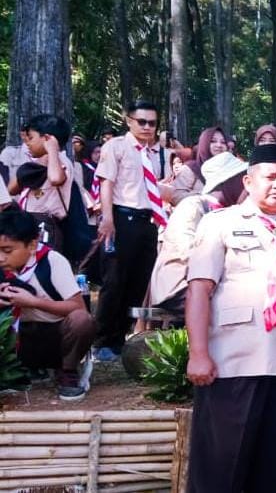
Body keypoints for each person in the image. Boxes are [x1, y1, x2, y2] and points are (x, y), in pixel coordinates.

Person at [184, 143, 276, 492]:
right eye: (269, 176)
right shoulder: (220, 224)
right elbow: (198, 290)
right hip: (234, 364)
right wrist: (198, 353)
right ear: (248, 181)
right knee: (220, 470)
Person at [93, 101, 170, 362]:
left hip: (147, 222)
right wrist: (107, 218)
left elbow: (159, 187)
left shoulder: (156, 153)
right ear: (129, 121)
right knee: (114, 281)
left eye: (152, 123)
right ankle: (103, 340)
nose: (148, 127)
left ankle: (119, 338)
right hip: (121, 218)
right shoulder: (116, 147)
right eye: (142, 122)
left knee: (138, 283)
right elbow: (107, 183)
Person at [0, 208, 96, 401]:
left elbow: (78, 308)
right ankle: (15, 370)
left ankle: (67, 371)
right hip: (16, 340)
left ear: (32, 245)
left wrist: (33, 302)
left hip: (54, 337)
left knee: (81, 320)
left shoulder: (52, 261)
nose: (1, 258)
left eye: (7, 251)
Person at [149, 153, 247, 314]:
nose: (246, 185)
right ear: (228, 181)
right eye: (241, 178)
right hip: (179, 286)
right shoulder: (193, 206)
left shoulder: (229, 213)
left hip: (210, 283)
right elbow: (186, 251)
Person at [7, 114, 75, 253]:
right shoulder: (33, 165)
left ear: (48, 139)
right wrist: (25, 170)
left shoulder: (60, 161)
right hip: (27, 220)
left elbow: (55, 178)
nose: (28, 143)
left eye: (31, 138)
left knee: (42, 267)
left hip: (45, 224)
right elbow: (12, 189)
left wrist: (52, 150)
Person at [170, 127, 230, 205]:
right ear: (204, 144)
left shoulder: (230, 170)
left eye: (223, 142)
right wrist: (206, 197)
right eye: (213, 141)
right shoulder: (192, 168)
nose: (219, 145)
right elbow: (175, 196)